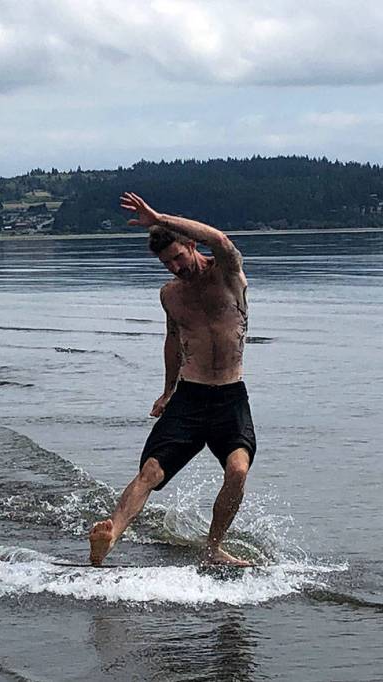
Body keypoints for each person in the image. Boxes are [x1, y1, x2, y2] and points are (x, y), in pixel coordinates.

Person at [89, 193, 256, 567]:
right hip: (190, 397)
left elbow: (221, 239)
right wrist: (168, 390)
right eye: (167, 264)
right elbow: (173, 340)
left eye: (179, 257)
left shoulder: (228, 273)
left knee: (238, 470)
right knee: (150, 471)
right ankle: (110, 535)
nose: (176, 267)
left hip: (230, 396)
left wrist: (158, 217)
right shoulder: (170, 296)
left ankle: (214, 549)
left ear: (191, 245)